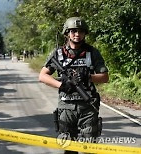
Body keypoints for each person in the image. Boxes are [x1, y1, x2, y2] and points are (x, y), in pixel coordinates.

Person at [39, 17, 109, 154]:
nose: (77, 34)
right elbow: (42, 76)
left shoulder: (92, 52)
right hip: (66, 106)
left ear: (85, 33)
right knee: (69, 147)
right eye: (73, 31)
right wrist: (61, 85)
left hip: (88, 105)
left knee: (90, 146)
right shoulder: (58, 54)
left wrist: (88, 76)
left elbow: (105, 77)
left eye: (81, 31)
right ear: (67, 33)